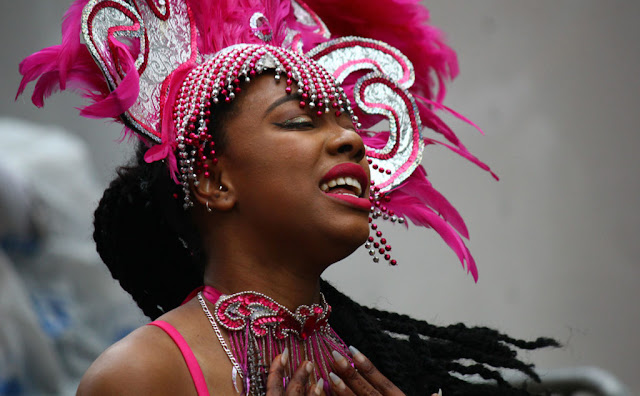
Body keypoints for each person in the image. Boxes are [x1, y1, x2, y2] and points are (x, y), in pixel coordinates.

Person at [17, 0, 557, 394]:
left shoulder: (379, 373)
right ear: (214, 180)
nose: (351, 140)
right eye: (299, 121)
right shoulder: (142, 377)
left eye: (350, 123)